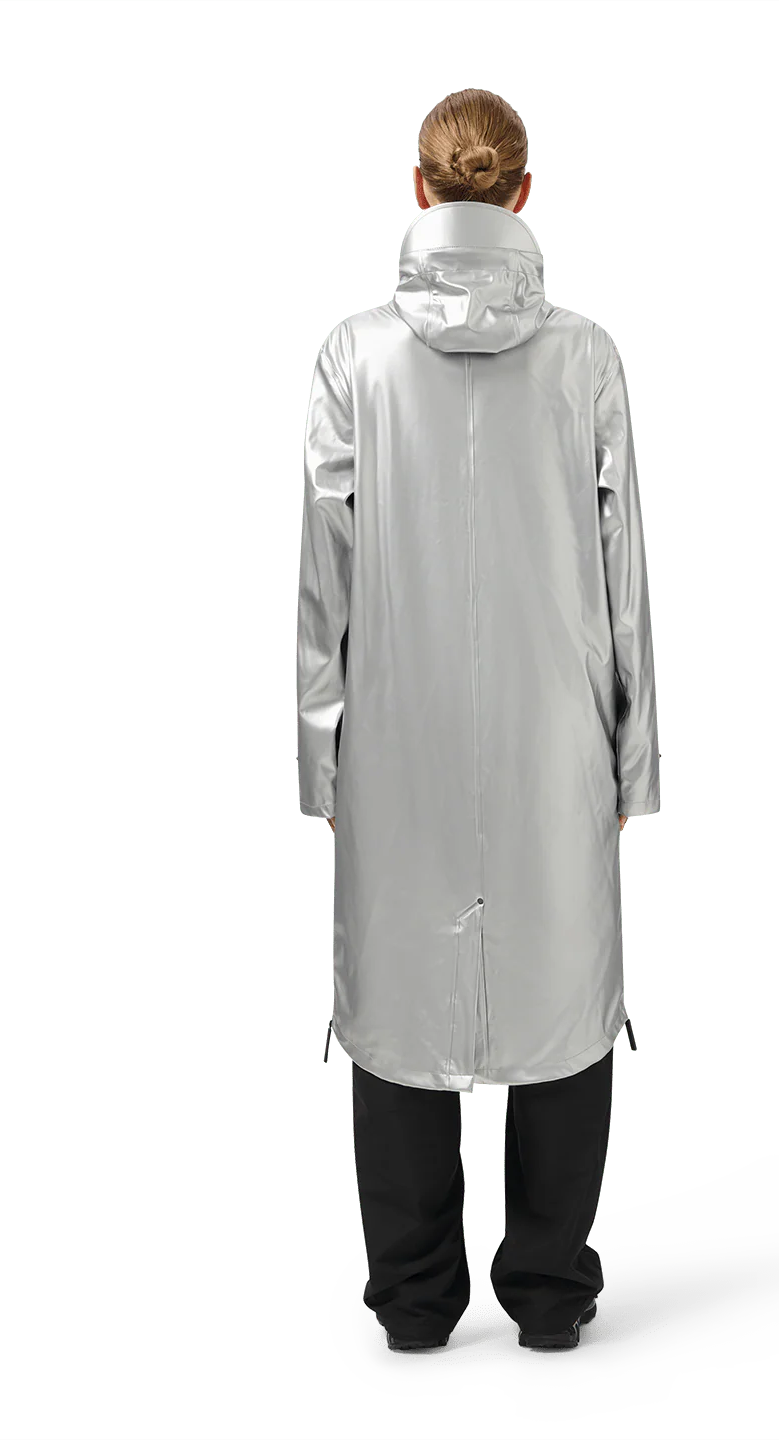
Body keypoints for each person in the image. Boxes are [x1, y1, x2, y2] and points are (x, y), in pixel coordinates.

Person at [296, 88, 661, 1355]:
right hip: (553, 727)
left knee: (398, 1004)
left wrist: (321, 755)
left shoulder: (353, 356)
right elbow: (624, 570)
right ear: (521, 192)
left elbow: (325, 577)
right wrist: (633, 752)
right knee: (561, 990)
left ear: (418, 189)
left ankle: (412, 1305)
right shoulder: (586, 355)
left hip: (395, 732)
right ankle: (552, 1296)